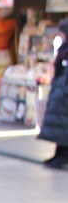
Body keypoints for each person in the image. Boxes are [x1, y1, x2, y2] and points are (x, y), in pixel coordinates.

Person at [38, 18, 68, 170]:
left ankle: (63, 156)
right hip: (60, 93)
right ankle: (59, 154)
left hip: (64, 94)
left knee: (64, 127)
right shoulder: (63, 49)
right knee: (60, 127)